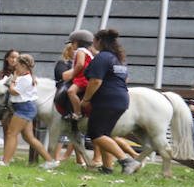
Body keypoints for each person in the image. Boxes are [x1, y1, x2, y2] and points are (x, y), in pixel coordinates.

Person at [81, 28, 140, 174]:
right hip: (121, 98)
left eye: (94, 40)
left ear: (99, 41)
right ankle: (107, 168)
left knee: (95, 134)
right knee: (104, 134)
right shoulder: (117, 59)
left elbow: (95, 81)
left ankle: (127, 161)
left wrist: (86, 99)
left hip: (106, 100)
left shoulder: (103, 57)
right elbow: (125, 79)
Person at [0, 54, 59, 168]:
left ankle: (5, 161)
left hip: (24, 108)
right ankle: (50, 161)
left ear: (24, 66)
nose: (16, 69)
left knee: (11, 133)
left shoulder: (26, 78)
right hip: (24, 108)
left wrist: (13, 81)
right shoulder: (25, 77)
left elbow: (14, 92)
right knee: (28, 137)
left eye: (17, 66)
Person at [59, 29, 94, 120]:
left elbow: (80, 64)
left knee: (71, 92)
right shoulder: (88, 52)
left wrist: (73, 74)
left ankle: (77, 113)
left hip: (82, 78)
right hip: (85, 77)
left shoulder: (80, 51)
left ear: (79, 43)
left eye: (73, 43)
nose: (72, 45)